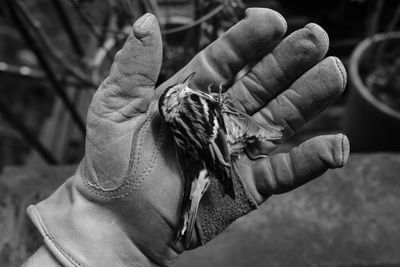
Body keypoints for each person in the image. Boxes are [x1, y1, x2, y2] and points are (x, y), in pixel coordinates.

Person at [23, 8, 349, 267]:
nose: (183, 89)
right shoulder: (190, 114)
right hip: (211, 157)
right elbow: (211, 138)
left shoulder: (185, 113)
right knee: (202, 177)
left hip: (211, 157)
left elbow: (210, 135)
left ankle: (199, 194)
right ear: (177, 107)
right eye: (179, 93)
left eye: (180, 90)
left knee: (201, 180)